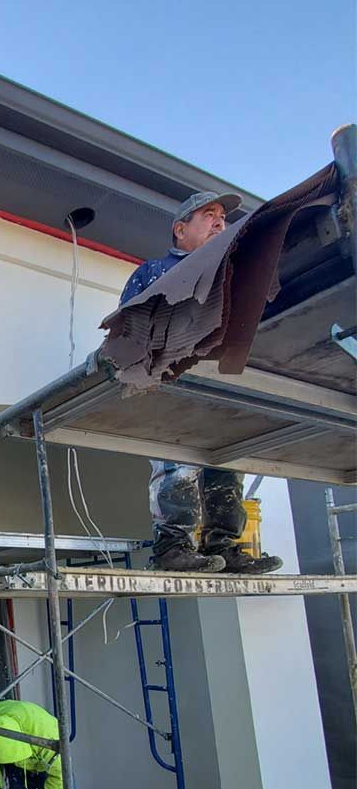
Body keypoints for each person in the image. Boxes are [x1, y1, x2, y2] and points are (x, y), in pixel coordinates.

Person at [120, 192, 283, 576]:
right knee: (178, 465)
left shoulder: (231, 273)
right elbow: (128, 331)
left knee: (226, 465)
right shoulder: (154, 273)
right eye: (208, 215)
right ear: (180, 230)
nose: (219, 223)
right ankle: (172, 547)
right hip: (173, 387)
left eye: (223, 219)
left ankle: (223, 548)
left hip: (222, 389)